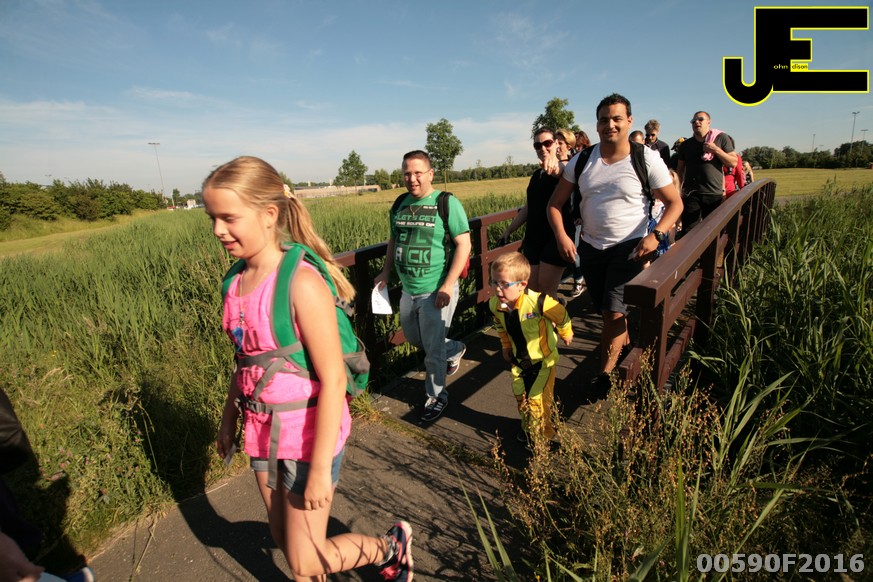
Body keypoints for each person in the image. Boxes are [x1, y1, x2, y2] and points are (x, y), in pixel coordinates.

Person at [204, 156, 413, 581]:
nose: (218, 230)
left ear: (269, 215)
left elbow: (334, 379)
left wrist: (319, 470)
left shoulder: (300, 283)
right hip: (262, 429)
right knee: (284, 537)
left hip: (308, 436)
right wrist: (229, 417)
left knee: (304, 561)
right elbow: (245, 361)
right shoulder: (234, 283)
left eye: (229, 218)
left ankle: (390, 548)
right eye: (213, 218)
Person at [546, 93, 682, 393]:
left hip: (629, 247)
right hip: (591, 248)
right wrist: (562, 236)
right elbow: (554, 204)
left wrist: (656, 235)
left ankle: (604, 374)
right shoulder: (583, 160)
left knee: (613, 311)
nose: (610, 125)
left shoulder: (645, 158)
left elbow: (675, 203)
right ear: (596, 125)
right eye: (604, 120)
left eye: (617, 119)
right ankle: (623, 343)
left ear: (629, 121)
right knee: (606, 309)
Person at [374, 150, 471, 422]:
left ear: (430, 174)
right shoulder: (400, 204)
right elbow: (394, 240)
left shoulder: (446, 203)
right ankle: (454, 349)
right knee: (416, 338)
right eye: (407, 173)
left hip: (436, 288)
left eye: (418, 173)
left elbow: (464, 244)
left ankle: (437, 396)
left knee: (433, 351)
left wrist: (447, 286)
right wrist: (386, 271)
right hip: (408, 289)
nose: (412, 179)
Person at [487, 252, 572, 445]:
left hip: (543, 362)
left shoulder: (538, 302)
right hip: (519, 362)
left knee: (537, 400)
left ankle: (542, 437)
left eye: (504, 284)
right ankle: (528, 429)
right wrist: (506, 346)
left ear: (522, 285)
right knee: (521, 397)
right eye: (494, 282)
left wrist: (566, 332)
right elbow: (501, 327)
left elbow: (561, 315)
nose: (498, 289)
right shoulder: (495, 306)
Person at [497, 128, 571, 298]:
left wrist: (556, 167)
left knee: (547, 292)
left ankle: (556, 316)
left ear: (556, 144)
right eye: (538, 145)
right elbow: (529, 207)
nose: (542, 148)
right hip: (533, 237)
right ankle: (539, 317)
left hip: (554, 237)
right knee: (531, 290)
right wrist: (509, 230)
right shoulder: (536, 175)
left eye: (547, 143)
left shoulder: (566, 170)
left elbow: (561, 169)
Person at [676, 111, 738, 234]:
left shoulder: (721, 138)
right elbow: (680, 170)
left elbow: (733, 162)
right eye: (693, 121)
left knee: (714, 231)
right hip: (691, 194)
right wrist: (678, 191)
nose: (696, 122)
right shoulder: (686, 145)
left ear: (709, 122)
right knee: (689, 232)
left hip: (713, 193)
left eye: (700, 119)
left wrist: (716, 150)